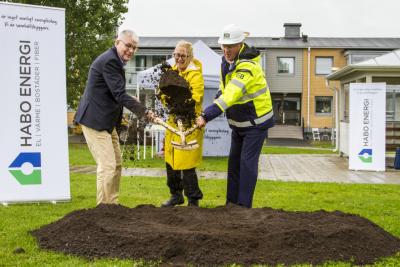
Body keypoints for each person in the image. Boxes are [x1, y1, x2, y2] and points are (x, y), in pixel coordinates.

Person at [196, 24, 274, 208]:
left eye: (230, 46)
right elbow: (223, 90)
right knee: (234, 165)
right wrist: (208, 108)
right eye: (224, 45)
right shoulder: (227, 63)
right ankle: (230, 206)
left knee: (247, 165)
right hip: (238, 124)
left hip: (256, 124)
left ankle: (243, 208)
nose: (226, 50)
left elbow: (231, 94)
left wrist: (207, 116)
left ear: (240, 45)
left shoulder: (247, 67)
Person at [74, 29, 154, 205]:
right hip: (95, 121)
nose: (131, 51)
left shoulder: (115, 61)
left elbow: (113, 91)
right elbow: (119, 94)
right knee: (108, 166)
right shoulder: (110, 61)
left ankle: (112, 207)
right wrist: (144, 112)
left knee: (116, 164)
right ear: (117, 42)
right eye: (128, 45)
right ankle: (103, 209)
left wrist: (132, 100)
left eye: (135, 48)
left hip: (107, 122)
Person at [161, 40, 205, 207]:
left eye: (183, 56)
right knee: (170, 162)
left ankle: (193, 199)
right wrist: (167, 99)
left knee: (187, 164)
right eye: (176, 55)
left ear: (190, 56)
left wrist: (179, 102)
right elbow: (163, 94)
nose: (179, 59)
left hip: (189, 124)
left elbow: (196, 96)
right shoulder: (171, 72)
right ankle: (176, 195)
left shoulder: (195, 74)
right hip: (173, 123)